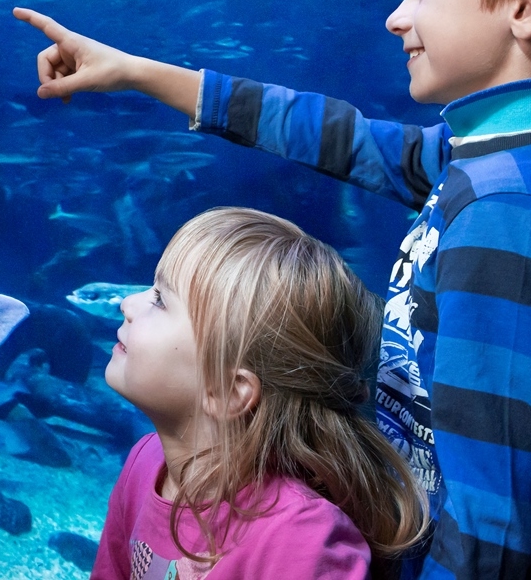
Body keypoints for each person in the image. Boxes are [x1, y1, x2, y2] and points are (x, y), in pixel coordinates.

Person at [16, 0, 531, 578]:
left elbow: (494, 527)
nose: (397, 16)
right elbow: (346, 139)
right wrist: (141, 73)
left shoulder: (519, 223)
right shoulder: (504, 166)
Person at [94, 207, 427, 580]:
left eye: (159, 299)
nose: (126, 303)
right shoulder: (144, 463)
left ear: (229, 391)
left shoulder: (301, 540)